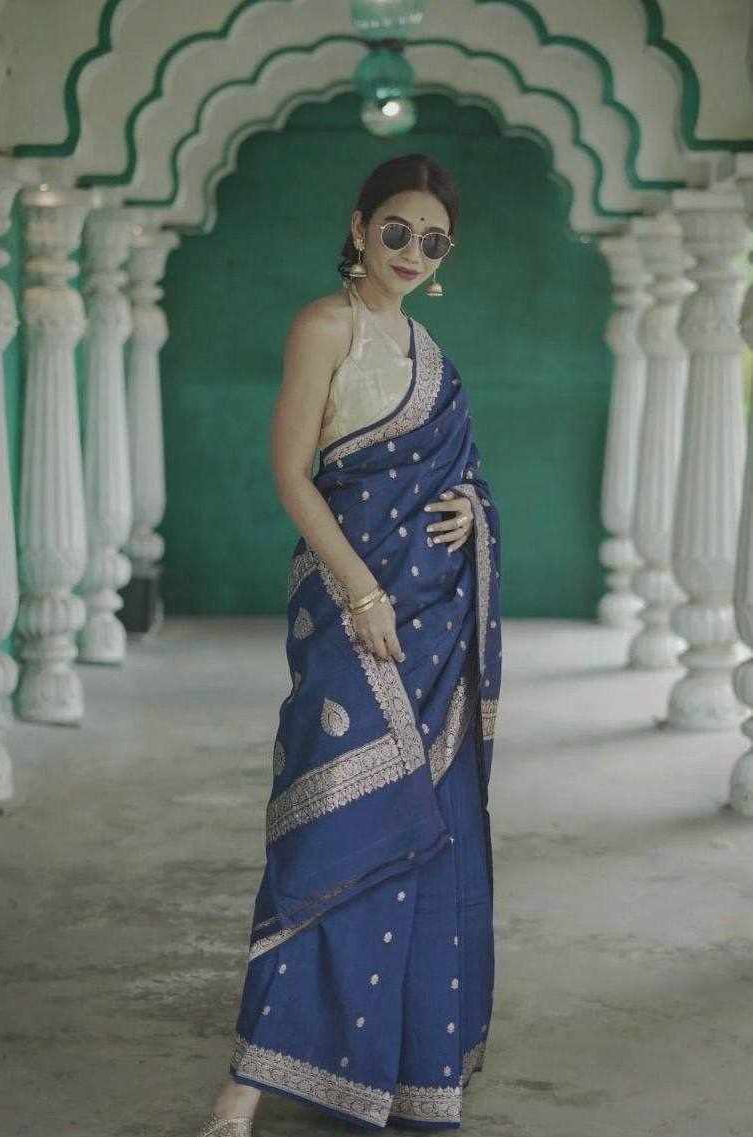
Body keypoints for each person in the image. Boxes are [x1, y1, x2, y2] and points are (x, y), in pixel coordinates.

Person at [193, 153, 502, 1136]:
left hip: (435, 624)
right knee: (323, 830)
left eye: (433, 242)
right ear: (360, 226)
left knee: (420, 834)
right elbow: (292, 473)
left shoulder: (428, 348)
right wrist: (362, 591)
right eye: (397, 231)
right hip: (346, 608)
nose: (413, 252)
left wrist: (473, 514)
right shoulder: (326, 325)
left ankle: (396, 1072)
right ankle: (246, 1084)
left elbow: (461, 471)